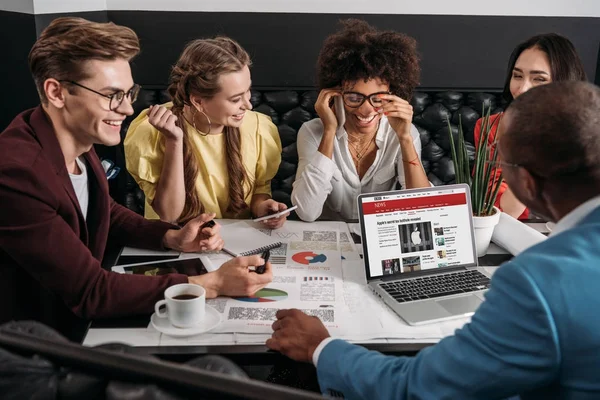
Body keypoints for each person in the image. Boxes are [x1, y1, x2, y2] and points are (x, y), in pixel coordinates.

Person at [267, 81, 600, 399]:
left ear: (525, 182)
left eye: (503, 162)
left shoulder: (536, 283)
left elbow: (416, 389)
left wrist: (320, 347)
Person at [0, 17, 272, 341]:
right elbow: (92, 291)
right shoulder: (17, 173)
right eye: (113, 95)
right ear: (57, 92)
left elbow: (106, 212)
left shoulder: (77, 143)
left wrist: (172, 237)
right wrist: (211, 284)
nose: (128, 108)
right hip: (41, 346)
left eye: (129, 93)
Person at [124, 37, 288, 229]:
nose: (248, 105)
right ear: (198, 102)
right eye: (236, 99)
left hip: (234, 243)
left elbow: (259, 191)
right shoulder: (150, 132)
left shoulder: (259, 127)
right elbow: (169, 215)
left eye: (248, 91)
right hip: (175, 241)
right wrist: (174, 140)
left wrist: (263, 207)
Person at [290, 20, 430, 222]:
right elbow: (306, 212)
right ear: (336, 94)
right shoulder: (312, 132)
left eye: (378, 98)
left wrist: (405, 139)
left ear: (394, 94)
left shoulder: (404, 133)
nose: (366, 109)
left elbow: (423, 208)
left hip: (383, 236)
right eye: (354, 98)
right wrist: (329, 131)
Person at [474, 33, 587, 220]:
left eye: (539, 79)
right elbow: (505, 212)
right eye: (517, 76)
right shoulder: (492, 128)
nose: (522, 89)